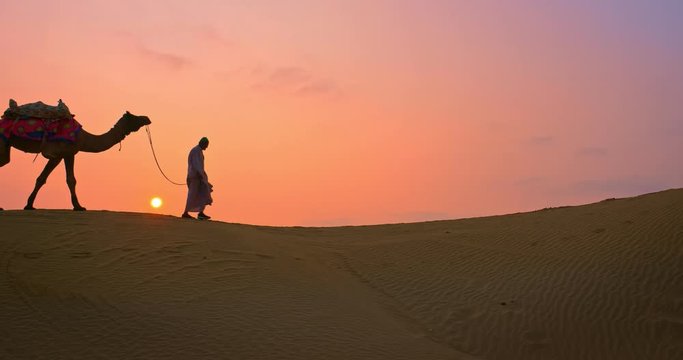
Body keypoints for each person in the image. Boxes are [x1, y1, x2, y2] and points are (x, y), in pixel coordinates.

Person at [182, 137, 213, 220]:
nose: (206, 147)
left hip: (199, 177)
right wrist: (200, 174)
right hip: (195, 177)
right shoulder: (196, 151)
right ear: (202, 143)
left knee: (204, 193)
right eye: (206, 145)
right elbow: (196, 165)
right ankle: (185, 213)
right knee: (192, 195)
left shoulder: (198, 151)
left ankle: (201, 213)